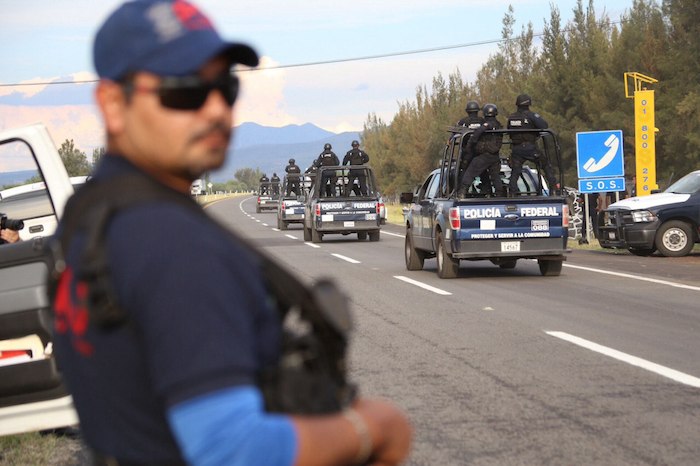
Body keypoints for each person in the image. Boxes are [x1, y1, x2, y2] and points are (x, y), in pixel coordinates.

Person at [51, 2, 411, 465]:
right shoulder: (173, 243)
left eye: (225, 86)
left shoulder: (90, 214)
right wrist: (371, 429)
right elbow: (230, 451)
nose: (217, 109)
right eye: (186, 91)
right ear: (113, 104)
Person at [506, 94, 558, 195]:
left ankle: (512, 192)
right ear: (528, 103)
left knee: (515, 171)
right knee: (546, 165)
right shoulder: (530, 115)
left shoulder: (512, 117)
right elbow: (544, 125)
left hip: (516, 149)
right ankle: (554, 188)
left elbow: (509, 130)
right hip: (530, 148)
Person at [454, 103, 504, 198]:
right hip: (495, 156)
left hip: (483, 155)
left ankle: (462, 192)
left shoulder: (482, 123)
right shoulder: (498, 124)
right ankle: (498, 195)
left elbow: (478, 132)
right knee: (495, 176)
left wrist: (471, 143)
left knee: (469, 172)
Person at [455, 100, 491, 194]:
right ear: (477, 111)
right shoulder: (483, 121)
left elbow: (455, 134)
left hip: (467, 152)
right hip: (481, 152)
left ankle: (462, 191)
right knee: (483, 171)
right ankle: (488, 191)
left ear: (467, 111)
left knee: (465, 171)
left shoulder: (463, 122)